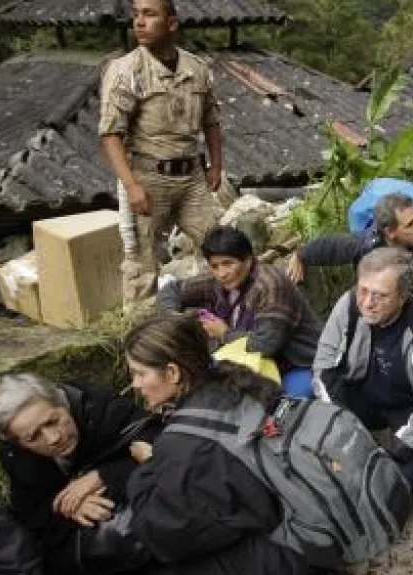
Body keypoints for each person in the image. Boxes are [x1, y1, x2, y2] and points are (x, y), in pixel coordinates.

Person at [123, 313, 309, 574]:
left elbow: (163, 535)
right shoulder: (239, 380)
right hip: (303, 516)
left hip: (287, 554)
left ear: (173, 372)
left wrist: (147, 469)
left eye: (140, 374)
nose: (136, 384)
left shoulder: (183, 443)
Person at [99, 0, 223, 305]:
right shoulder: (126, 70)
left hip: (192, 177)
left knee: (219, 247)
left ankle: (217, 319)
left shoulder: (197, 68)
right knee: (141, 264)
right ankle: (139, 341)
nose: (139, 22)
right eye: (136, 15)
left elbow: (212, 121)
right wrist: (131, 186)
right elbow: (111, 134)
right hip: (148, 177)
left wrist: (216, 166)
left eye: (150, 14)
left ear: (172, 23)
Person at [0, 373, 161, 574]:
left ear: (63, 403)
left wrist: (105, 476)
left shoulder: (103, 410)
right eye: (34, 437)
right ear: (18, 443)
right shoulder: (16, 456)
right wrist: (67, 508)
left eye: (53, 421)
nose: (53, 438)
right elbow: (31, 514)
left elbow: (167, 448)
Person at [312, 247, 413, 490]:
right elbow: (324, 366)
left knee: (396, 484)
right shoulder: (348, 305)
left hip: (408, 407)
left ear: (403, 295)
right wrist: (339, 424)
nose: (368, 303)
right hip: (361, 394)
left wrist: (394, 449)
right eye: (363, 290)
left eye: (380, 296)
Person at [156, 226, 323, 398]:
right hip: (255, 364)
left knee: (283, 410)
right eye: (215, 266)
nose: (222, 273)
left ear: (248, 260)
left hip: (299, 363)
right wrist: (172, 317)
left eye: (228, 263)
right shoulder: (216, 281)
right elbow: (171, 290)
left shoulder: (270, 285)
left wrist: (224, 333)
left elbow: (266, 345)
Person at [287, 192, 413, 312]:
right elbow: (330, 246)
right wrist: (301, 254)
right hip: (379, 305)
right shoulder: (366, 246)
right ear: (390, 232)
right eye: (411, 224)